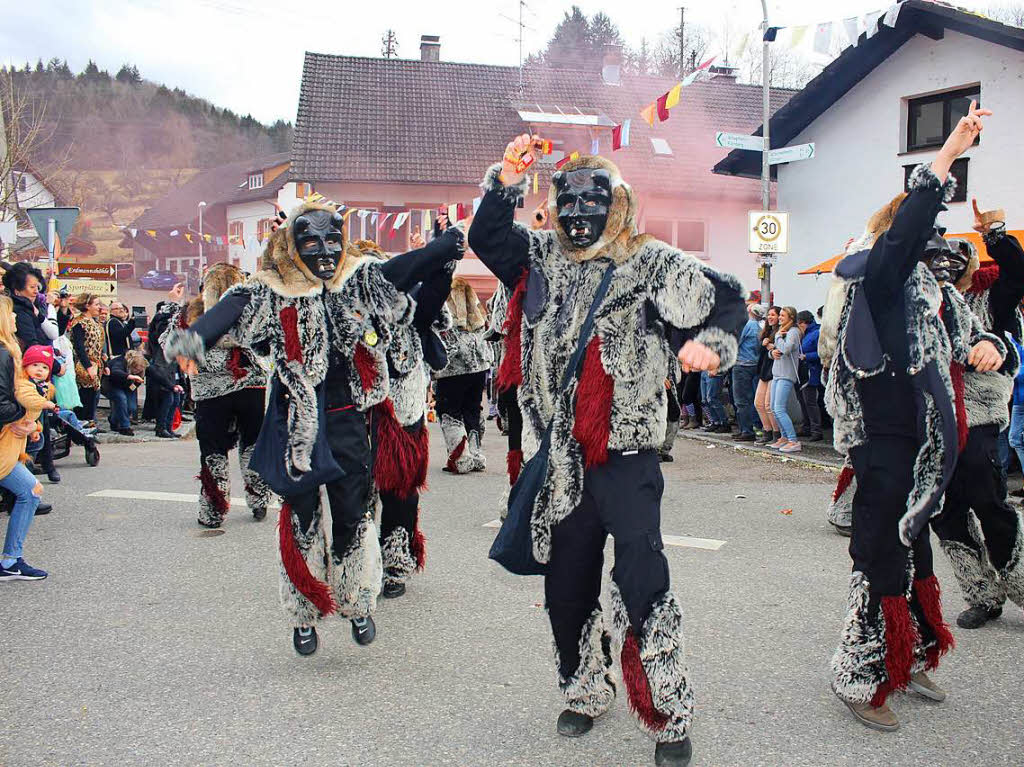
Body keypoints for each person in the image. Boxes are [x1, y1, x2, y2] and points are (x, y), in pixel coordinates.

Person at [469, 137, 746, 767]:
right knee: (567, 589)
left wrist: (711, 340)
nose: (576, 214)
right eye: (566, 201)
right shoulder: (540, 257)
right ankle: (584, 687)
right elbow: (490, 238)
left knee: (642, 575)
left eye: (591, 201)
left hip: (627, 452)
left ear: (617, 204)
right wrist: (508, 179)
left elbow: (727, 296)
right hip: (562, 454)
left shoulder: (651, 263)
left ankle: (669, 709)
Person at [167, 201, 464, 655]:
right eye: (311, 241)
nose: (324, 251)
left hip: (347, 416)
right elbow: (230, 309)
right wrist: (193, 339)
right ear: (292, 246)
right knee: (302, 516)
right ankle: (304, 610)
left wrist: (445, 245)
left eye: (332, 240)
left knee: (352, 512)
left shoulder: (356, 279)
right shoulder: (272, 289)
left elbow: (397, 273)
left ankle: (358, 599)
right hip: (295, 420)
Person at [822, 101, 1003, 732]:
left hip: (932, 446)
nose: (937, 262)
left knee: (917, 551)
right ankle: (858, 674)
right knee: (879, 552)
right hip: (882, 441)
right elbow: (903, 234)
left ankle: (909, 655)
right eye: (923, 248)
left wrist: (990, 347)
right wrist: (949, 154)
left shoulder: (937, 295)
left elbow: (980, 339)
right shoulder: (877, 278)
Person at [930, 207, 1024, 629]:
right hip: (938, 422)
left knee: (989, 502)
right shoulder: (932, 301)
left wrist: (997, 235)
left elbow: (1018, 273)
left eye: (955, 260)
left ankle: (1019, 583)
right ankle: (982, 594)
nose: (947, 266)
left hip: (981, 414)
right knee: (946, 514)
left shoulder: (993, 296)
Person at [352, 239, 453, 598]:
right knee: (356, 496)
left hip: (401, 413)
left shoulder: (410, 304)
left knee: (400, 492)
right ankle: (358, 565)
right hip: (357, 411)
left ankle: (396, 562)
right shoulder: (347, 304)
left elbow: (433, 300)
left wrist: (444, 258)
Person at [162, 265, 272, 527]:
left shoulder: (190, 313)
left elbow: (169, 342)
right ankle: (259, 500)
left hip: (212, 391)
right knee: (253, 445)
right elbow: (266, 343)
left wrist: (173, 307)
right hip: (250, 385)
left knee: (213, 450)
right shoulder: (250, 308)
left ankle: (213, 510)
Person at [0, 302, 48, 581]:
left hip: (9, 440)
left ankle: (10, 560)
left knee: (30, 491)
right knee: (29, 492)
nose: (16, 316)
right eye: (10, 312)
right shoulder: (4, 352)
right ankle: (9, 560)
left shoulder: (9, 350)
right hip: (5, 440)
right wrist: (21, 417)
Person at [434, 276, 493, 473]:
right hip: (478, 370)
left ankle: (461, 457)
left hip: (453, 372)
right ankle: (476, 455)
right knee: (472, 410)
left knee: (449, 410)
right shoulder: (479, 320)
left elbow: (443, 349)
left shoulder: (446, 320)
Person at [766, 306, 802, 452]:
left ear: (791, 318)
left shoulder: (793, 332)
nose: (780, 318)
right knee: (774, 409)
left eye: (782, 315)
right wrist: (771, 353)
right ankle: (784, 437)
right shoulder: (782, 332)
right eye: (779, 315)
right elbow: (776, 351)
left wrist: (778, 338)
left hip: (786, 375)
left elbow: (786, 349)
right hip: (777, 373)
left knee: (780, 408)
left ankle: (793, 441)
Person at [68, 293, 104, 425]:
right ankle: (81, 428)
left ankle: (90, 425)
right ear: (87, 306)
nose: (99, 308)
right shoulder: (79, 323)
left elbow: (98, 346)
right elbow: (79, 348)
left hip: (95, 365)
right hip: (84, 365)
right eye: (96, 304)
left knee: (93, 397)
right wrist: (88, 366)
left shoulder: (95, 323)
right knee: (85, 398)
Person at [731, 303, 764, 442]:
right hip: (754, 365)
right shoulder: (758, 327)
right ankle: (756, 428)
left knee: (741, 400)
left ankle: (746, 430)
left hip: (742, 365)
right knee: (752, 398)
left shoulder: (746, 325)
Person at [796, 310, 823, 442]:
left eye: (799, 323)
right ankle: (807, 427)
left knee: (810, 401)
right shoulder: (808, 333)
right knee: (804, 400)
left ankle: (816, 430)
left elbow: (822, 353)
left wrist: (807, 356)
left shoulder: (816, 334)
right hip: (804, 370)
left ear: (804, 323)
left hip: (811, 371)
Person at [754, 306, 780, 444]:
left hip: (774, 371)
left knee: (768, 404)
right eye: (769, 315)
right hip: (764, 370)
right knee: (758, 403)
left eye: (773, 315)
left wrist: (772, 346)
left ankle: (777, 433)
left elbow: (782, 350)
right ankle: (767, 430)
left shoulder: (781, 332)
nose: (770, 317)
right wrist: (764, 344)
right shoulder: (766, 332)